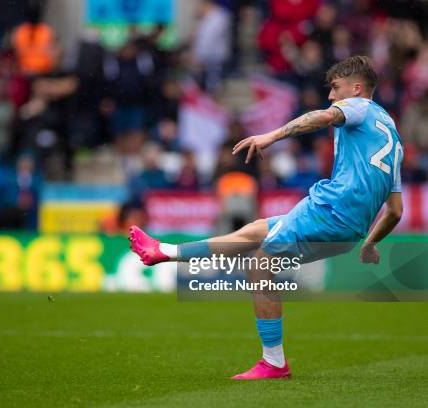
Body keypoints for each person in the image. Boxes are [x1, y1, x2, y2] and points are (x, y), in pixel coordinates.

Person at [128, 56, 404, 380]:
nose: (331, 96)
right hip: (349, 227)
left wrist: (269, 137)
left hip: (331, 212)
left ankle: (273, 362)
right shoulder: (391, 134)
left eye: (336, 88)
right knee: (255, 230)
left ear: (357, 89)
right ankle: (166, 252)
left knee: (259, 263)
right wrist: (370, 243)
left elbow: (324, 116)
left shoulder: (360, 107)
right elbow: (395, 210)